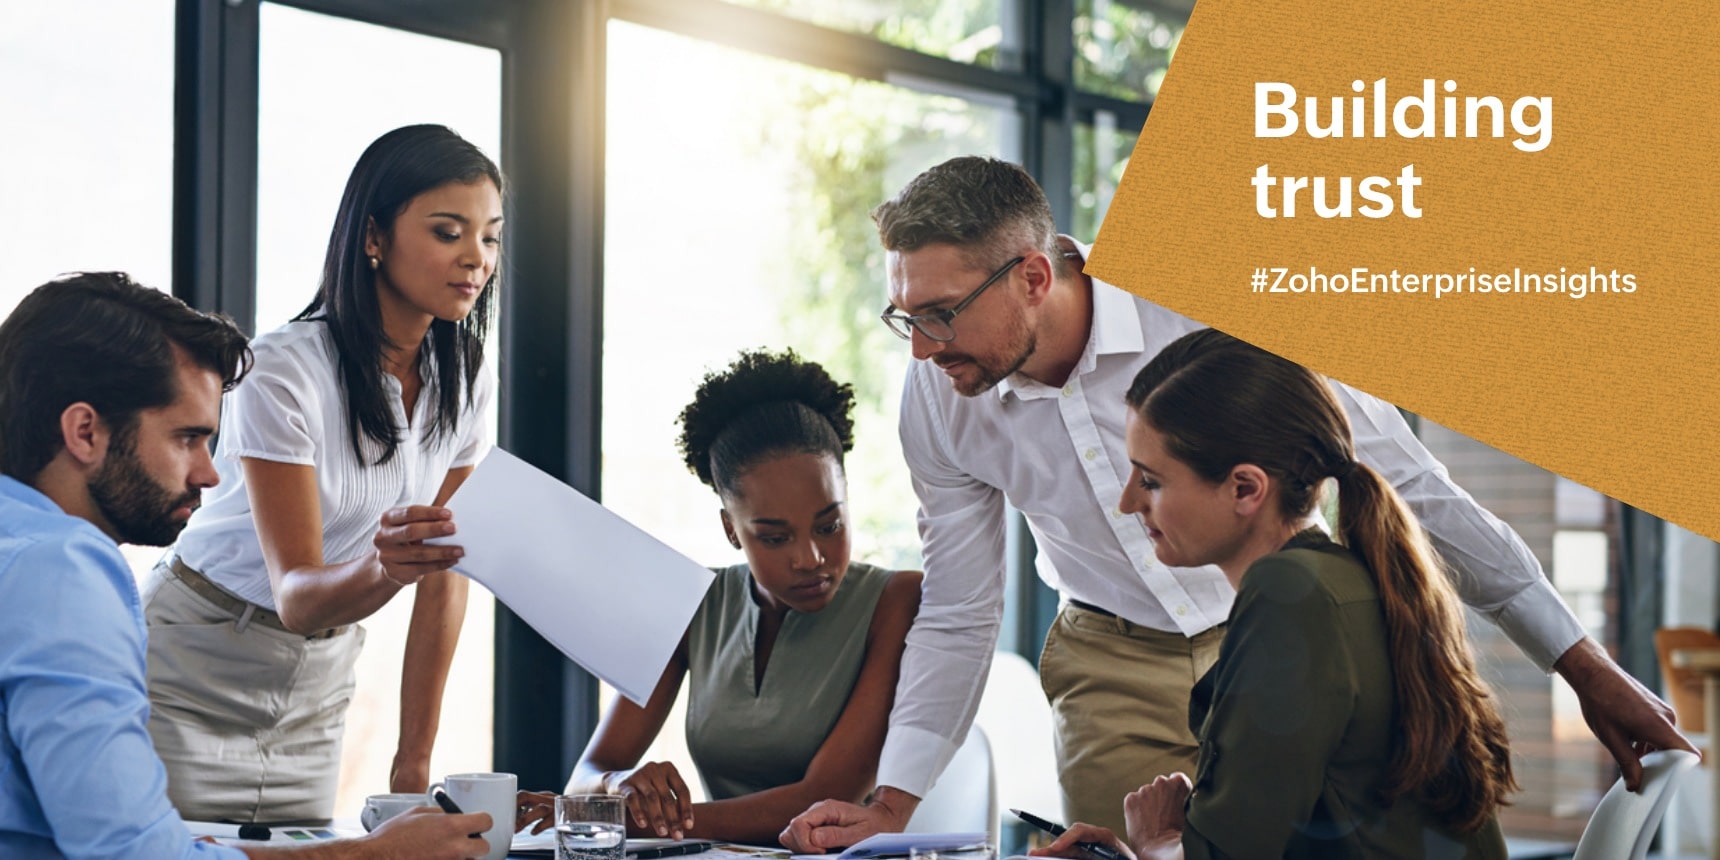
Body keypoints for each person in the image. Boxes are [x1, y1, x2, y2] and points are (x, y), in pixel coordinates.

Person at [781, 156, 1691, 850]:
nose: (922, 349)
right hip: (1110, 663)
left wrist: (1583, 667)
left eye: (940, 313)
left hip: (1273, 643)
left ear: (1031, 276)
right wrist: (892, 804)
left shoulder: (1211, 303)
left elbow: (1406, 484)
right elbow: (962, 605)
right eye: (906, 317)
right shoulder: (941, 397)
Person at [0, 272, 493, 859]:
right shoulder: (64, 572)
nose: (210, 474)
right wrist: (372, 855)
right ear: (85, 431)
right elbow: (133, 855)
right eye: (187, 439)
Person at [1034, 329, 1513, 859]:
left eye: (1150, 481)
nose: (1128, 503)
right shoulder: (1344, 578)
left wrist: (1156, 842)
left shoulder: (1288, 594)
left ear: (1245, 488)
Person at [145, 124, 502, 821]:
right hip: (194, 663)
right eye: (447, 231)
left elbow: (444, 573)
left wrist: (413, 763)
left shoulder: (467, 374)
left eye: (489, 236)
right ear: (373, 237)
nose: (475, 258)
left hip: (319, 680)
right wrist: (388, 567)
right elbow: (299, 595)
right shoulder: (283, 369)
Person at [516, 350, 922, 845]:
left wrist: (622, 817)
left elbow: (823, 800)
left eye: (829, 525)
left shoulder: (897, 600)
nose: (811, 557)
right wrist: (615, 785)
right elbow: (589, 772)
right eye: (775, 537)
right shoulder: (692, 602)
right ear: (732, 528)